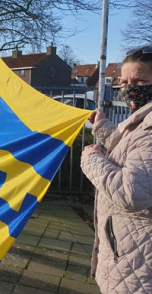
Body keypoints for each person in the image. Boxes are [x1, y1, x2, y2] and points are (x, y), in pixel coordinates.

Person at [81, 46, 152, 293]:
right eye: (123, 81)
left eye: (141, 80)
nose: (130, 88)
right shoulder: (143, 120)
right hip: (130, 249)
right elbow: (134, 154)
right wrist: (103, 127)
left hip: (140, 260)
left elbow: (133, 193)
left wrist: (91, 160)